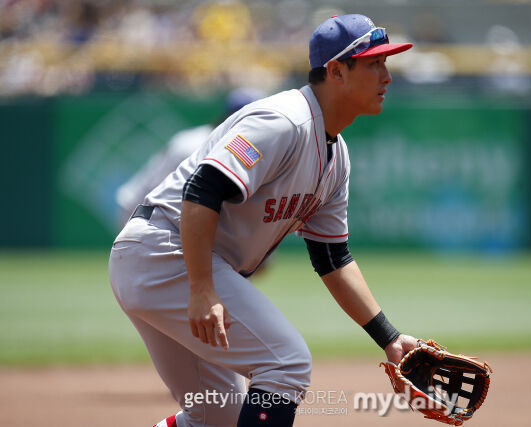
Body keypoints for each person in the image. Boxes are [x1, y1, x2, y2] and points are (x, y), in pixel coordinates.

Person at [108, 14, 418, 427]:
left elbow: (332, 259)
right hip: (165, 251)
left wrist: (389, 338)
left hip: (168, 259)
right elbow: (203, 189)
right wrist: (201, 288)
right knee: (286, 364)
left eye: (386, 63)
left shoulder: (336, 156)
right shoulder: (283, 120)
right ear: (336, 71)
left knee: (215, 415)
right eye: (374, 63)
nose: (387, 76)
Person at [115, 87, 266, 227]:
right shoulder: (192, 144)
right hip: (139, 209)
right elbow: (156, 189)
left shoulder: (241, 147)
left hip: (161, 211)